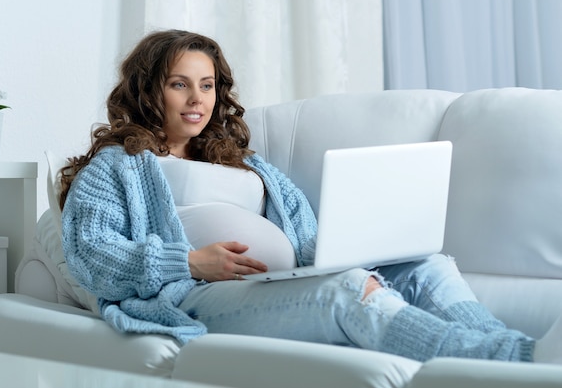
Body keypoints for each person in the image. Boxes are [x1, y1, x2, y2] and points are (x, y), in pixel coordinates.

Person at [59, 29, 561, 364]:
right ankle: (518, 363)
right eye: (179, 85)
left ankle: (520, 356)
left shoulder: (246, 163)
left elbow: (306, 234)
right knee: (346, 294)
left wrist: (351, 255)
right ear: (149, 90)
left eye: (208, 85)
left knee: (425, 264)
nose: (198, 100)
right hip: (194, 298)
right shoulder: (117, 167)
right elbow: (90, 257)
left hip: (281, 281)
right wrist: (189, 262)